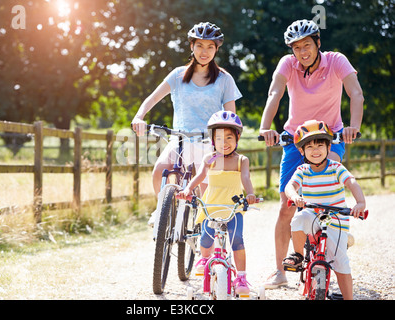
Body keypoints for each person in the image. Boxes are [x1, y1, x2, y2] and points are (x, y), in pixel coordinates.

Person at [258, 19, 365, 288]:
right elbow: (275, 92)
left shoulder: (336, 61)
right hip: (295, 139)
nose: (302, 52)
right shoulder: (287, 64)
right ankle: (282, 271)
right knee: (286, 205)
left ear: (318, 43)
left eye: (307, 45)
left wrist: (354, 127)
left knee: (331, 184)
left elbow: (356, 94)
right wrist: (265, 127)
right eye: (296, 48)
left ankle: (337, 238)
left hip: (330, 136)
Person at [131, 22, 242, 198]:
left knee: (207, 200)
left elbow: (231, 117)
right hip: (180, 140)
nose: (204, 52)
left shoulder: (224, 79)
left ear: (216, 49)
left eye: (210, 47)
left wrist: (228, 143)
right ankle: (164, 213)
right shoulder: (178, 75)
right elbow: (152, 98)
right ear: (192, 46)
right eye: (199, 46)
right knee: (159, 172)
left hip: (210, 143)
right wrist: (139, 117)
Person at [283, 120, 366, 300]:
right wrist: (294, 196)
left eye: (320, 144)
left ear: (329, 147)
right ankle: (297, 255)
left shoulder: (336, 167)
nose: (315, 150)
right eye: (310, 146)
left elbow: (351, 182)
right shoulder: (303, 169)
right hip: (313, 215)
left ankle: (348, 298)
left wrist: (360, 202)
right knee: (298, 219)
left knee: (340, 262)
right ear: (301, 151)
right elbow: (290, 186)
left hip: (336, 219)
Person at [178, 111, 256, 295]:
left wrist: (250, 193)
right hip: (211, 207)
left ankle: (242, 276)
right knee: (205, 238)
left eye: (229, 137)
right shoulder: (209, 159)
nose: (224, 142)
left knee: (237, 239)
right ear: (213, 140)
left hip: (233, 208)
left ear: (237, 138)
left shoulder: (241, 160)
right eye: (219, 138)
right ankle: (205, 259)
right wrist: (188, 189)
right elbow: (200, 177)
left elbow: (246, 178)